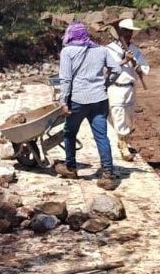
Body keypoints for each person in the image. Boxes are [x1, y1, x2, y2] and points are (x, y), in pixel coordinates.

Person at [55, 23, 122, 191]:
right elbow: (117, 69)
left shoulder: (68, 52)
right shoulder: (101, 50)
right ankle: (108, 173)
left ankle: (71, 168)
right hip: (100, 99)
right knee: (101, 136)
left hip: (77, 100)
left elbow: (65, 79)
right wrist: (105, 84)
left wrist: (63, 102)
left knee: (69, 133)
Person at [105, 18, 150, 162]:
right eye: (125, 31)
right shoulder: (109, 49)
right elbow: (106, 68)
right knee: (118, 116)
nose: (128, 34)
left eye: (130, 32)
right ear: (119, 33)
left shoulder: (135, 50)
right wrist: (124, 61)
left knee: (129, 118)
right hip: (115, 87)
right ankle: (123, 146)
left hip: (130, 88)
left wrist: (139, 68)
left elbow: (145, 67)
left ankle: (124, 140)